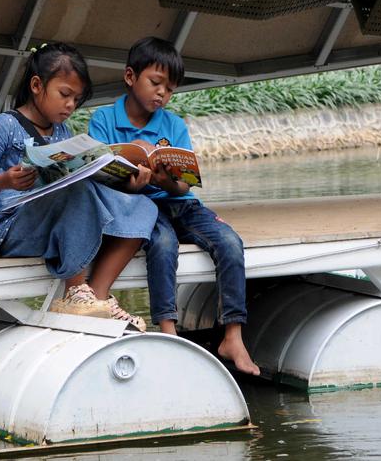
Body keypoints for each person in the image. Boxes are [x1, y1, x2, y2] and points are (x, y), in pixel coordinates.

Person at [0, 42, 155, 331]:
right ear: (37, 85)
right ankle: (75, 292)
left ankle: (97, 295)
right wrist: (1, 181)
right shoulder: (4, 126)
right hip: (6, 231)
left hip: (49, 226)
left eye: (77, 99)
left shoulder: (62, 130)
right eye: (65, 94)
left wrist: (127, 182)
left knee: (144, 206)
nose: (70, 105)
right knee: (76, 189)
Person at [88, 37, 260, 374]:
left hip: (180, 203)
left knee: (229, 241)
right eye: (155, 83)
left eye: (169, 89)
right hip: (140, 207)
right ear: (130, 77)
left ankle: (233, 335)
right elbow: (98, 175)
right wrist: (132, 183)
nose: (162, 94)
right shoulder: (104, 120)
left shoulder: (173, 125)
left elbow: (184, 184)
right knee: (164, 245)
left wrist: (164, 180)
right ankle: (169, 330)